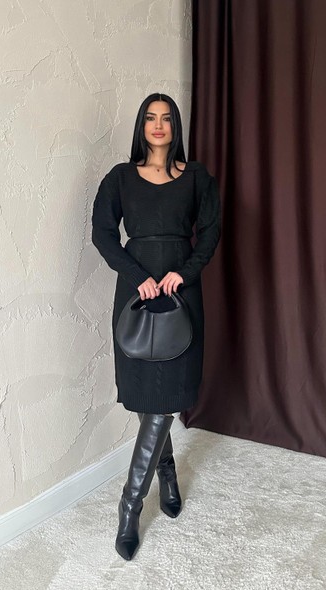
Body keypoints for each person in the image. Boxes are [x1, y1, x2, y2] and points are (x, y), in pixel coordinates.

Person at [91, 92, 221, 560]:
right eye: (150, 117)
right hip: (137, 294)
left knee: (166, 401)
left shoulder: (197, 178)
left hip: (181, 293)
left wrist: (183, 273)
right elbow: (103, 233)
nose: (159, 125)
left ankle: (129, 509)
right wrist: (137, 276)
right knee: (151, 399)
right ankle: (166, 475)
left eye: (167, 118)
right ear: (141, 126)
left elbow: (210, 233)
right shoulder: (120, 178)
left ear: (175, 126)